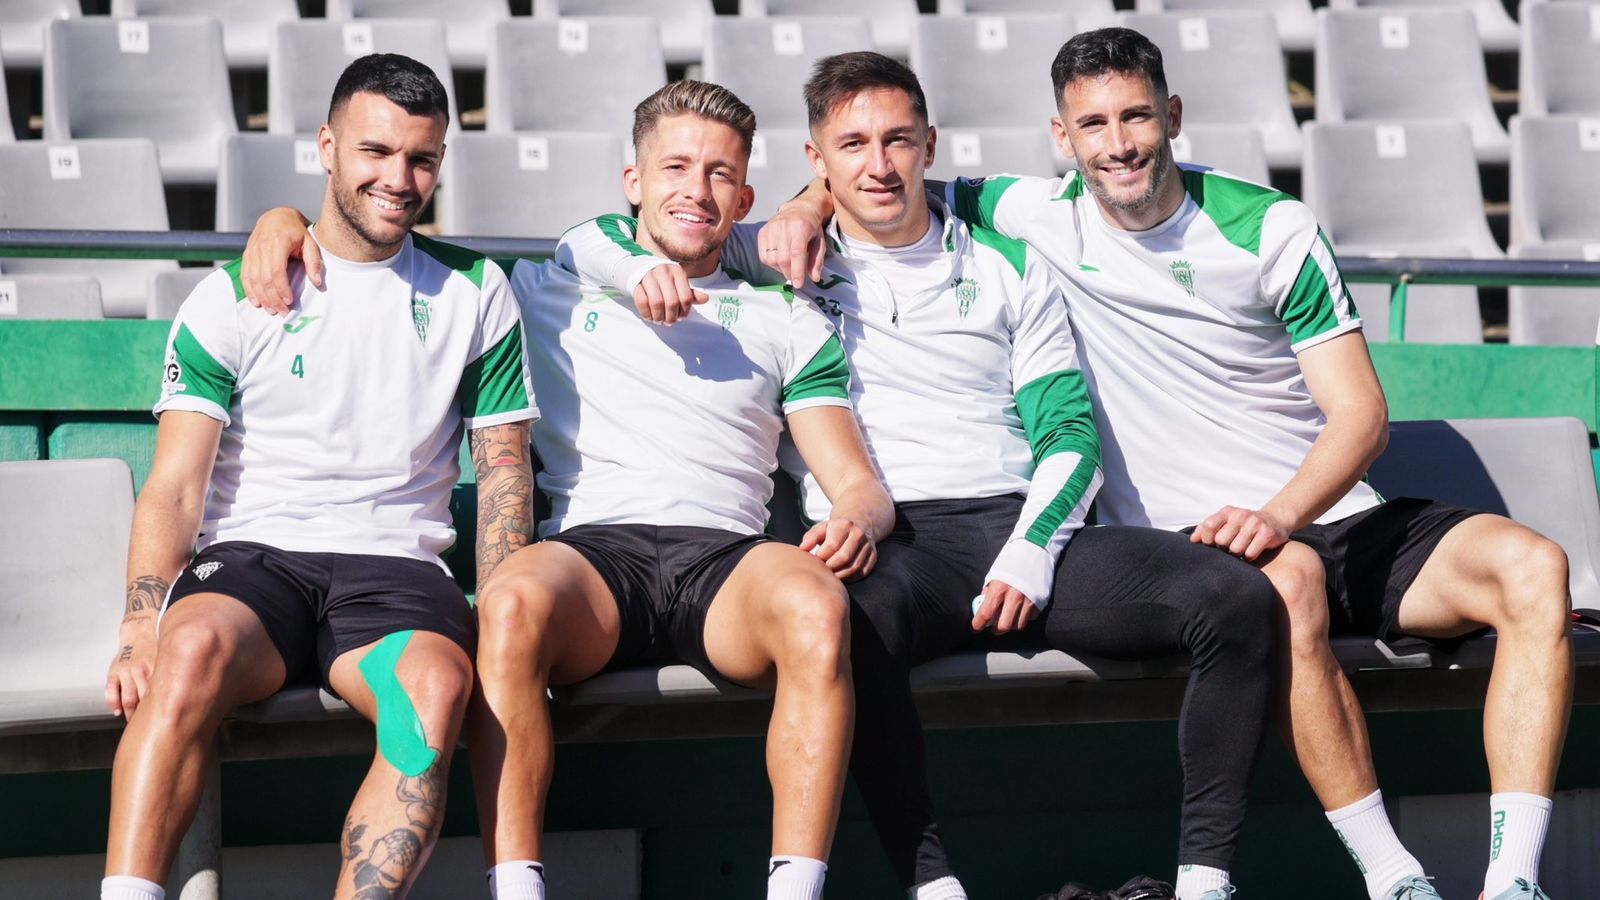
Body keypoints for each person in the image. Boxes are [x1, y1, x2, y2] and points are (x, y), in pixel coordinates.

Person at [760, 28, 1575, 900]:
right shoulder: (1030, 213)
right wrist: (803, 208)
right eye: (1094, 125)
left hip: (1317, 509)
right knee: (1282, 582)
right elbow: (871, 174)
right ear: (1061, 139)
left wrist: (1280, 513)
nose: (1119, 144)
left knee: (1535, 568)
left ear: (1173, 116)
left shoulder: (1268, 225)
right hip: (1197, 538)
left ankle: (1513, 879)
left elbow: (1362, 418)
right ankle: (1395, 877)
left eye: (1137, 116)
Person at [557, 53, 1282, 900]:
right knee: (839, 632)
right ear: (817, 162)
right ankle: (935, 888)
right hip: (894, 546)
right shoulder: (770, 255)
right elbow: (591, 240)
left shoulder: (1011, 264)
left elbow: (1070, 437)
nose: (879, 163)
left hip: (1020, 530)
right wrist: (791, 214)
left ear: (930, 144)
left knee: (1236, 599)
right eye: (853, 144)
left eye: (899, 139)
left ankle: (1204, 884)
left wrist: (1032, 550)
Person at [240, 80, 895, 900]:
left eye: (721, 175)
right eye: (677, 168)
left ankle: (794, 891)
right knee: (509, 603)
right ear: (634, 181)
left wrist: (861, 519)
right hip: (594, 560)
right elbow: (370, 238)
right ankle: (519, 888)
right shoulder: (542, 286)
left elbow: (857, 486)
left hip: (725, 561)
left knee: (816, 603)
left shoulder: (786, 316)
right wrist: (283, 220)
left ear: (746, 197)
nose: (697, 190)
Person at [101, 54, 537, 900]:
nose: (399, 178)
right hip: (256, 564)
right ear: (327, 147)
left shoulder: (477, 290)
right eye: (376, 152)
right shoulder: (232, 294)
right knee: (183, 655)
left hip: (397, 576)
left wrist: (504, 611)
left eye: (422, 159)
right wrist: (138, 621)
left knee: (435, 692)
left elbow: (505, 474)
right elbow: (176, 487)